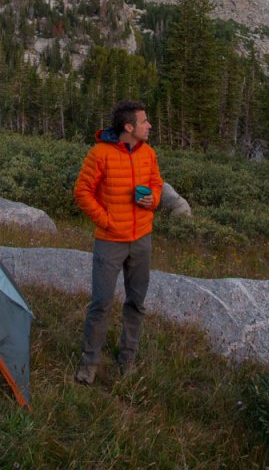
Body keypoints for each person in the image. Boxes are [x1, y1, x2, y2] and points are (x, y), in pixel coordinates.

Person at [73, 99, 163, 384]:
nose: (149, 126)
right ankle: (90, 362)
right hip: (110, 241)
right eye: (144, 121)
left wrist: (154, 199)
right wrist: (107, 220)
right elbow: (82, 192)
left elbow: (157, 183)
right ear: (129, 127)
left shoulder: (148, 153)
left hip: (142, 239)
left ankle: (127, 357)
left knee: (136, 302)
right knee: (101, 303)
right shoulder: (100, 154)